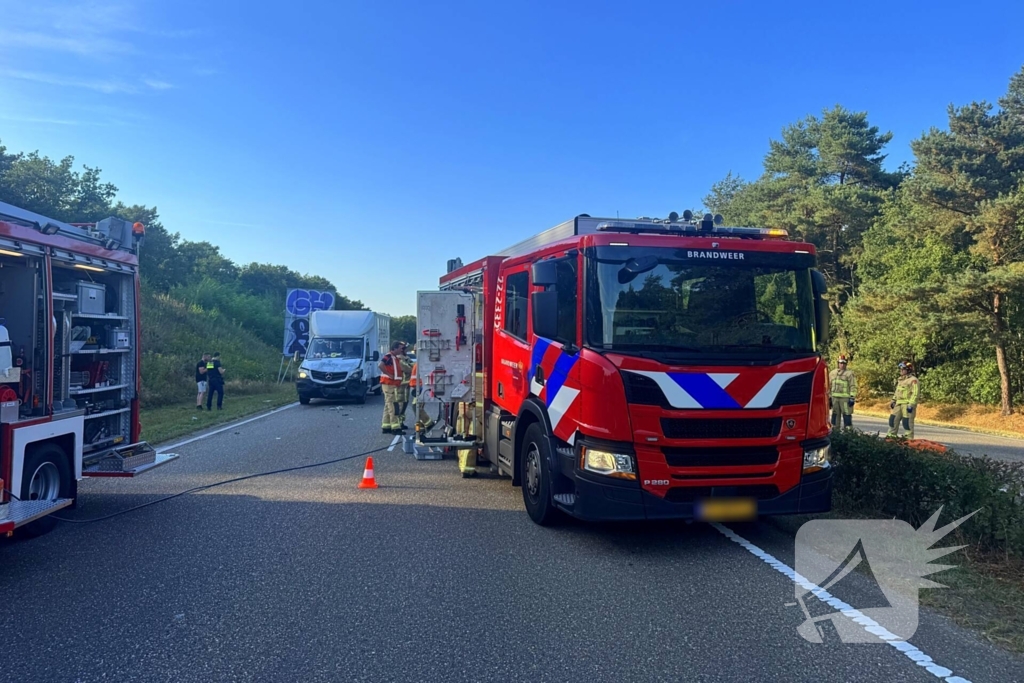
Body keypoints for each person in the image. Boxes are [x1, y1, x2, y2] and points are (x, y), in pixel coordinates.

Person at [378, 341, 406, 434]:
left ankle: (386, 426)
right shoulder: (389, 356)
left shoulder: (394, 357)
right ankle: (395, 427)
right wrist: (389, 374)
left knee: (388, 405)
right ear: (395, 348)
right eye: (401, 348)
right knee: (393, 405)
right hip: (389, 383)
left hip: (391, 384)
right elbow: (380, 365)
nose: (402, 350)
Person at [887, 361, 920, 439]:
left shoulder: (913, 380)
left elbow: (915, 393)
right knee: (892, 420)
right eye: (900, 369)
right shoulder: (900, 380)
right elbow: (897, 391)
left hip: (907, 404)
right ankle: (891, 437)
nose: (901, 370)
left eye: (903, 369)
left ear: (908, 370)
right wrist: (893, 400)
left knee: (907, 422)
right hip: (898, 403)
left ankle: (908, 439)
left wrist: (911, 404)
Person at [828, 355, 857, 431]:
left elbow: (853, 386)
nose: (842, 365)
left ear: (846, 364)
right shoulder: (832, 373)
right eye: (840, 363)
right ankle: (835, 432)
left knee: (847, 415)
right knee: (835, 415)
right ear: (838, 363)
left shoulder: (849, 374)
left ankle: (848, 432)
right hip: (834, 398)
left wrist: (852, 397)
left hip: (845, 399)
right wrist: (829, 397)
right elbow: (828, 386)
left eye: (844, 363)